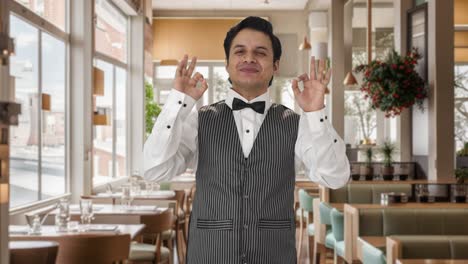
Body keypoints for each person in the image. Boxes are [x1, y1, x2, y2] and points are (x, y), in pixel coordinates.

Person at [144, 16, 350, 264]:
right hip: (210, 254)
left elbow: (335, 177)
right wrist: (179, 103)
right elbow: (154, 170)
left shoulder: (297, 123)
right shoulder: (199, 120)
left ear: (275, 66)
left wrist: (316, 113)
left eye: (260, 52)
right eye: (240, 51)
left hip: (274, 255)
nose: (249, 58)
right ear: (228, 64)